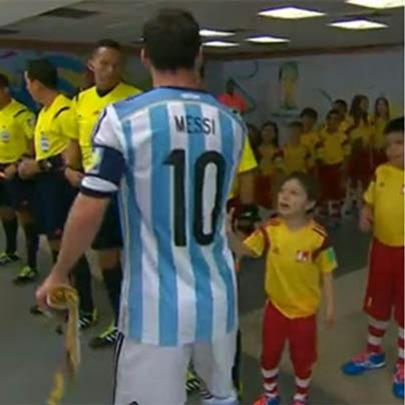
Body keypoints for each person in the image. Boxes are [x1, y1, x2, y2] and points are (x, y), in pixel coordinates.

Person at [36, 9, 245, 405]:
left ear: (144, 57)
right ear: (199, 54)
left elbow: (91, 204)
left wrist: (60, 272)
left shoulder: (125, 118)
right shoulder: (231, 123)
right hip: (218, 297)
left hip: (156, 306)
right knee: (221, 396)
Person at [227, 172, 337, 405]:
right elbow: (246, 250)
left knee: (303, 358)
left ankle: (300, 396)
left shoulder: (319, 237)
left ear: (309, 203)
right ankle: (270, 394)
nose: (285, 197)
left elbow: (327, 271)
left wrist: (329, 306)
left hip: (304, 313)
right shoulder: (270, 229)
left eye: (294, 193)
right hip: (275, 308)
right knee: (268, 354)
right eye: (282, 191)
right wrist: (229, 233)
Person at [65, 39, 142, 348]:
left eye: (116, 64)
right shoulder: (80, 101)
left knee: (137, 259)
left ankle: (142, 323)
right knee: (107, 259)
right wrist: (70, 169)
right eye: (105, 63)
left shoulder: (135, 99)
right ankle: (120, 320)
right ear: (91, 64)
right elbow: (73, 140)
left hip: (129, 191)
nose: (110, 70)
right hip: (95, 191)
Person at [20, 59, 94, 326]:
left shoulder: (64, 110)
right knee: (54, 243)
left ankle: (87, 308)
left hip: (60, 187)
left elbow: (71, 159)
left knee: (68, 247)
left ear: (37, 83)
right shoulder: (44, 112)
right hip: (44, 186)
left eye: (28, 82)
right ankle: (60, 297)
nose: (27, 87)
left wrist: (37, 166)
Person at [342, 117, 404, 400]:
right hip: (381, 249)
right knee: (378, 301)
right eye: (388, 144)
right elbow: (370, 201)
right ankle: (374, 352)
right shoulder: (381, 172)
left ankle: (403, 365)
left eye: (399, 144)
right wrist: (366, 213)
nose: (392, 150)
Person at [0, 73, 39, 281]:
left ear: (5, 90)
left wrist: (17, 164)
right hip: (0, 169)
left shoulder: (22, 114)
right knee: (5, 212)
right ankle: (11, 250)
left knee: (25, 216)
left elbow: (35, 141)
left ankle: (31, 264)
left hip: (17, 171)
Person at [316, 110, 351, 222]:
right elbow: (318, 149)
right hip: (324, 166)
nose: (333, 122)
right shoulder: (321, 134)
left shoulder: (343, 136)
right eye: (331, 118)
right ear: (327, 120)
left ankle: (336, 213)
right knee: (324, 189)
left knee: (337, 190)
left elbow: (347, 152)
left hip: (338, 165)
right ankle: (324, 210)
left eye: (336, 120)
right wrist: (319, 162)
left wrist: (344, 166)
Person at [346, 95, 373, 209]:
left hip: (365, 151)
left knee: (366, 177)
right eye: (363, 103)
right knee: (353, 178)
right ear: (357, 104)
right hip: (353, 151)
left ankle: (364, 201)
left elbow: (370, 133)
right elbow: (347, 134)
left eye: (367, 103)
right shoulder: (350, 118)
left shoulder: (368, 118)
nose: (366, 105)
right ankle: (352, 202)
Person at [255, 121, 281, 209]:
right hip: (255, 182)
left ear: (275, 135)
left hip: (270, 183)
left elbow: (279, 168)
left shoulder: (278, 151)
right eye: (265, 130)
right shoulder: (254, 149)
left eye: (271, 131)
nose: (267, 133)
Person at [371, 97, 390, 168]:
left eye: (383, 104)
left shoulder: (390, 121)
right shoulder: (372, 120)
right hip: (377, 152)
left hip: (389, 151)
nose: (381, 107)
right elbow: (371, 137)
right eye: (379, 105)